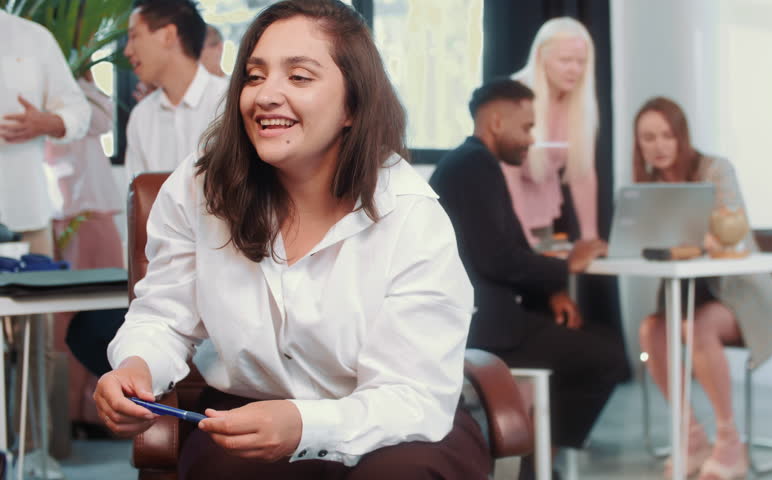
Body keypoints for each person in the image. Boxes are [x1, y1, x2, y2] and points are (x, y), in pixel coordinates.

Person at [94, 1, 490, 479]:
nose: (266, 95)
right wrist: (137, 366)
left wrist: (306, 424)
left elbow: (414, 395)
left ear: (353, 105)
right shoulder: (200, 189)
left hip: (393, 426)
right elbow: (164, 315)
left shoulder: (410, 213)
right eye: (255, 76)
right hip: (251, 415)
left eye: (299, 77)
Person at [430, 78, 627, 477]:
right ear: (498, 123)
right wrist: (568, 264)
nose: (531, 139)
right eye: (526, 128)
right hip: (486, 327)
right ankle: (537, 460)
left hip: (491, 317)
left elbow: (509, 248)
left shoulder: (472, 164)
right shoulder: (473, 166)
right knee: (607, 356)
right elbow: (497, 259)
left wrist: (553, 290)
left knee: (596, 344)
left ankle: (536, 458)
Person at [634, 97, 772, 480]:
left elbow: (731, 235)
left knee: (698, 327)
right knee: (651, 330)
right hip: (689, 295)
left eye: (667, 135)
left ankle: (730, 439)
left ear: (681, 135)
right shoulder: (647, 188)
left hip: (741, 294)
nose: (659, 145)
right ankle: (691, 435)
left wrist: (691, 239)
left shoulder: (715, 169)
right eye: (648, 138)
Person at [45, 70, 126, 439]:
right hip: (72, 210)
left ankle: (94, 412)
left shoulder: (73, 90)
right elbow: (98, 117)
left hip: (89, 208)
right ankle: (74, 413)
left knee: (107, 311)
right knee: (70, 318)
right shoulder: (57, 90)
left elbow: (104, 116)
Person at [502, 17, 600, 247]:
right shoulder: (514, 95)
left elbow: (582, 173)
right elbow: (509, 173)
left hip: (541, 210)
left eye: (581, 62)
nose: (574, 69)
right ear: (541, 57)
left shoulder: (578, 103)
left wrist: (590, 236)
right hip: (504, 209)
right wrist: (522, 234)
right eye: (565, 60)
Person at [0, 10, 91, 255]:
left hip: (24, 214)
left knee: (39, 293)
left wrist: (48, 123)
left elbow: (79, 111)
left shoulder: (34, 39)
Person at [123, 0, 228, 183]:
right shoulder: (141, 116)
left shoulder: (229, 102)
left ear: (168, 35)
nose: (127, 51)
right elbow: (139, 201)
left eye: (134, 36)